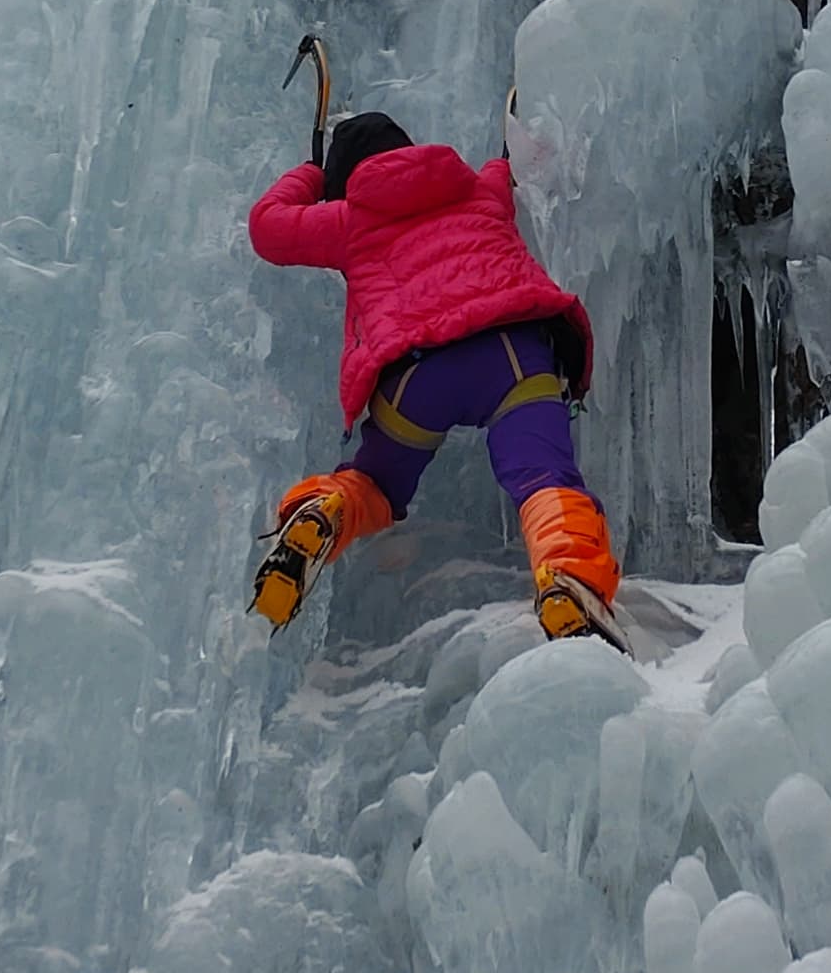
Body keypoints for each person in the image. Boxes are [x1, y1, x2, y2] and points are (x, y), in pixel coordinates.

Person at [244, 107, 622, 642]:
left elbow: (267, 228)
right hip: (509, 353)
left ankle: (323, 511)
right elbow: (509, 165)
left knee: (375, 481)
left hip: (414, 378)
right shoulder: (474, 188)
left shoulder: (347, 219)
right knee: (543, 476)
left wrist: (312, 175)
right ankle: (569, 579)